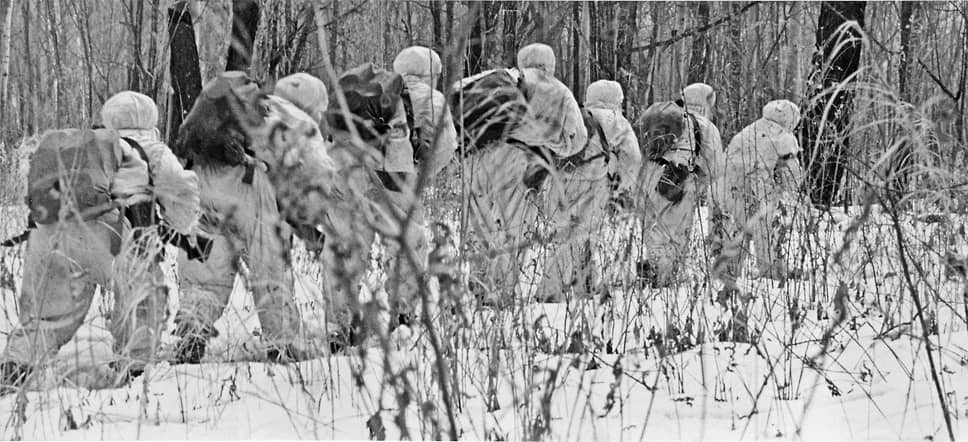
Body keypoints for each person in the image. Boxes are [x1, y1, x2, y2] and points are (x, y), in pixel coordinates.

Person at [170, 71, 316, 364]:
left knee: (204, 267)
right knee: (268, 265)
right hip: (248, 188)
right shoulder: (272, 114)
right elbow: (290, 161)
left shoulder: (204, 119)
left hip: (203, 184)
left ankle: (192, 333)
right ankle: (283, 342)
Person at [1, 127, 152, 394]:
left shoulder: (82, 148)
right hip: (103, 232)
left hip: (47, 233)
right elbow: (148, 203)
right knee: (139, 297)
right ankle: (136, 365)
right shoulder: (132, 148)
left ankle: (16, 364)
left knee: (45, 316)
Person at [537, 80, 639, 301]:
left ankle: (585, 284)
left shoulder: (572, 112)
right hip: (593, 183)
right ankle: (552, 292)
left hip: (558, 179)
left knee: (563, 232)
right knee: (581, 234)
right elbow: (632, 157)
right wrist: (619, 184)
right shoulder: (615, 121)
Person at [636, 97, 724, 288]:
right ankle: (662, 276)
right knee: (674, 234)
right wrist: (698, 184)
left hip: (647, 174)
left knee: (652, 227)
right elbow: (715, 168)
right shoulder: (706, 126)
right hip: (678, 177)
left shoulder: (660, 115)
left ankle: (653, 265)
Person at [716, 99, 804, 287]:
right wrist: (794, 192)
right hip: (759, 188)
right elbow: (792, 174)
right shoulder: (784, 136)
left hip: (728, 188)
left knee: (737, 231)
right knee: (766, 228)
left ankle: (730, 271)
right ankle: (771, 270)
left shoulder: (749, 130)